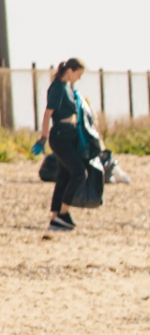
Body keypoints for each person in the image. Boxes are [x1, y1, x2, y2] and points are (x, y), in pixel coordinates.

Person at [32, 58, 88, 232]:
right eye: (78, 74)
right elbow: (48, 114)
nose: (78, 78)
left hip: (68, 137)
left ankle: (56, 218)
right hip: (59, 137)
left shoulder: (68, 89)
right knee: (80, 173)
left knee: (64, 176)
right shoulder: (57, 87)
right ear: (70, 70)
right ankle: (64, 213)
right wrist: (43, 137)